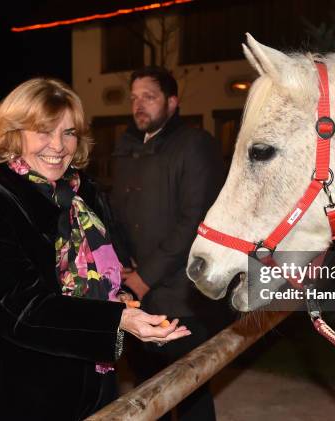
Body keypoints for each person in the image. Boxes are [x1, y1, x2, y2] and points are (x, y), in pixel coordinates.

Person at [0, 78, 191, 421]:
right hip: (14, 396)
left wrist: (120, 300)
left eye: (68, 132)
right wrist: (118, 319)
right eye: (43, 131)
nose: (58, 146)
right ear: (14, 134)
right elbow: (21, 309)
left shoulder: (82, 195)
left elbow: (99, 277)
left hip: (90, 390)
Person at [111, 66, 225, 421]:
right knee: (147, 392)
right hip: (136, 293)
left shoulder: (194, 144)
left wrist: (145, 276)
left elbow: (194, 221)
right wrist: (122, 260)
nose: (138, 105)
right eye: (134, 98)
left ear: (172, 102)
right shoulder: (125, 147)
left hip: (180, 295)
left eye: (149, 97)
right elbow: (116, 212)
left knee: (189, 393)